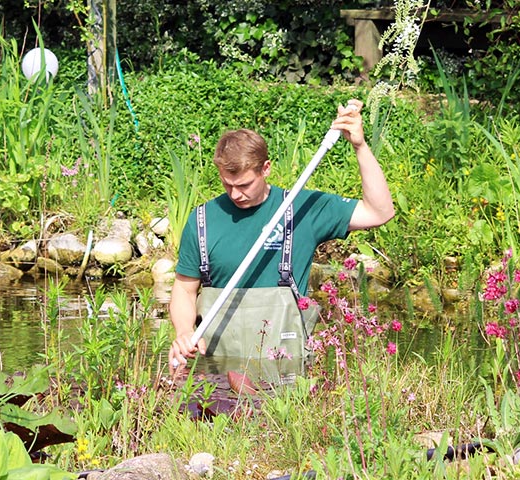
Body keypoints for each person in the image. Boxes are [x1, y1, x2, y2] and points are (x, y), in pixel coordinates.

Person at [168, 99, 395, 375]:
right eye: (227, 184)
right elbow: (184, 289)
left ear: (266, 169)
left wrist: (359, 146)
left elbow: (379, 212)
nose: (235, 194)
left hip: (284, 374)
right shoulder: (202, 220)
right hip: (216, 369)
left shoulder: (302, 209)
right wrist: (183, 332)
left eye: (244, 185)